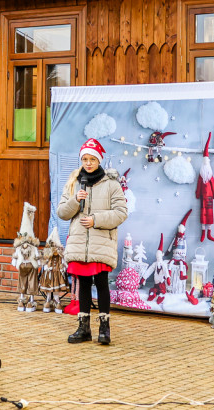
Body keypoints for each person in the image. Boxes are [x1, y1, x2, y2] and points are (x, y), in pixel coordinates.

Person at [57, 138, 129, 345]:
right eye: (85, 159)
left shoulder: (111, 185)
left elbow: (121, 213)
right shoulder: (73, 183)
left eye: (92, 159)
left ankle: (104, 329)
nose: (88, 163)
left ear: (99, 160)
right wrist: (75, 200)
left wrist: (96, 220)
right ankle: (84, 328)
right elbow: (62, 212)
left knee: (102, 284)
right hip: (80, 244)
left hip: (100, 243)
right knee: (84, 285)